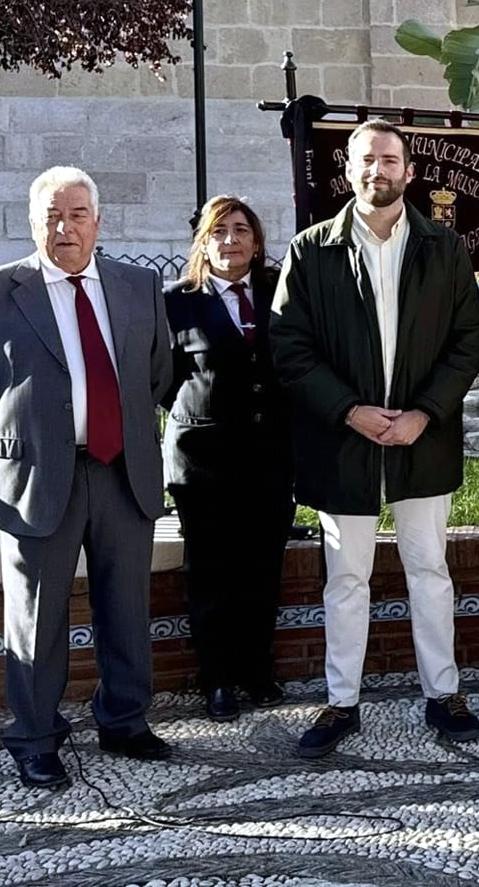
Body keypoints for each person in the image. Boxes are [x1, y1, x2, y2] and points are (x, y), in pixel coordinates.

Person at [0, 167, 174, 789]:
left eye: (76, 215)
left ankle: (126, 722)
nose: (64, 227)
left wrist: (111, 425)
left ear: (97, 222)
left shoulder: (138, 285)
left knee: (125, 606)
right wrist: (15, 439)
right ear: (32, 221)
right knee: (36, 614)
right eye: (51, 215)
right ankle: (35, 735)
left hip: (122, 472)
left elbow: (157, 372)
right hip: (41, 477)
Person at [271, 119, 479, 757]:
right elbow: (290, 344)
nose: (378, 171)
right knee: (346, 576)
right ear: (348, 169)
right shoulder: (312, 250)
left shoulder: (444, 248)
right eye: (367, 160)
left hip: (424, 435)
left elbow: (466, 341)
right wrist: (347, 410)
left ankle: (443, 693)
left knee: (429, 569)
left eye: (390, 160)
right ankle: (341, 703)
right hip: (346, 439)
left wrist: (424, 412)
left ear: (409, 171)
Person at [161, 196, 292, 722]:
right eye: (219, 231)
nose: (231, 241)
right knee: (212, 571)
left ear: (257, 242)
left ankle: (257, 670)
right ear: (203, 241)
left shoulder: (279, 294)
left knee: (263, 566)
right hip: (204, 459)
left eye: (241, 231)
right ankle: (218, 679)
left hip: (269, 456)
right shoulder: (176, 301)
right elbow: (163, 378)